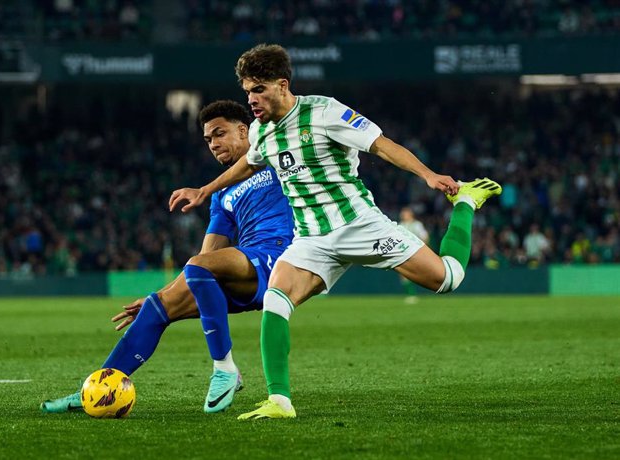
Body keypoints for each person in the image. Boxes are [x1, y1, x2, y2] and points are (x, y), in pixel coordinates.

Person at [169, 44, 502, 420]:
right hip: (311, 239)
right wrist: (205, 190)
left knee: (448, 279)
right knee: (276, 301)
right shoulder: (261, 131)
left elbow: (381, 145)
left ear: (282, 85)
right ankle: (280, 402)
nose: (252, 98)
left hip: (359, 225)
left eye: (259, 89)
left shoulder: (324, 111)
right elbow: (247, 164)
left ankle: (466, 204)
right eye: (247, 90)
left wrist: (427, 174)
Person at [41, 99, 293, 414]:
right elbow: (206, 258)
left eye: (219, 133)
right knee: (157, 307)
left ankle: (225, 368)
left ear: (244, 131)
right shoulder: (221, 195)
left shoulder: (273, 156)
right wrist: (160, 294)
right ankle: (95, 390)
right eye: (208, 140)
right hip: (246, 266)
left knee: (196, 269)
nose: (213, 144)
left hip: (279, 259)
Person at [398, 207, 430, 304]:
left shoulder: (417, 225)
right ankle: (411, 295)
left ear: (410, 214)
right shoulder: (400, 225)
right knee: (403, 274)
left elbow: (425, 236)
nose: (403, 215)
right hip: (404, 252)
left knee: (417, 273)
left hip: (416, 251)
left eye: (405, 213)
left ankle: (414, 294)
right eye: (402, 213)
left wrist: (423, 249)